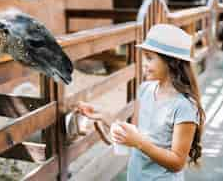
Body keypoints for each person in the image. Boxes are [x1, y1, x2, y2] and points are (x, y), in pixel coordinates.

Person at [76, 24, 205, 180]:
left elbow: (177, 162)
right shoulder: (145, 90)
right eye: (144, 57)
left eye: (149, 58)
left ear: (172, 62)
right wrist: (104, 116)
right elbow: (137, 132)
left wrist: (138, 143)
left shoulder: (184, 106)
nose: (144, 63)